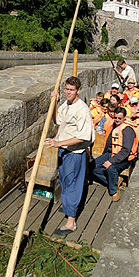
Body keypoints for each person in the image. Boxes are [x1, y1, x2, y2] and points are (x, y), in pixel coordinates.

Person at [45, 76, 95, 235]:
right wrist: (54, 103)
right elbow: (57, 120)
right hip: (64, 151)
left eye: (71, 90)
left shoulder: (82, 110)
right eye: (66, 89)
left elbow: (84, 136)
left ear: (78, 91)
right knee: (65, 181)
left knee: (72, 184)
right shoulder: (66, 104)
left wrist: (57, 143)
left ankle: (71, 222)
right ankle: (69, 207)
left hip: (74, 153)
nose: (68, 92)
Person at [92, 107, 138, 201]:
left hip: (125, 158)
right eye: (116, 117)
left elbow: (126, 151)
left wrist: (111, 161)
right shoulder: (113, 126)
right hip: (111, 153)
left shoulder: (127, 130)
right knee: (93, 167)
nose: (117, 120)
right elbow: (109, 143)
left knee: (111, 168)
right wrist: (104, 156)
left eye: (119, 118)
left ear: (124, 118)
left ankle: (114, 190)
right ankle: (114, 181)